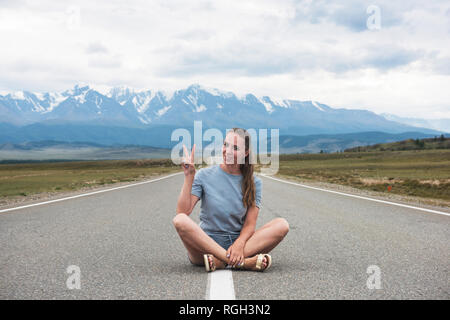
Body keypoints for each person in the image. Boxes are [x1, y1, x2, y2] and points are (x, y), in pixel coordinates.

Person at [173, 128, 289, 272]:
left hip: (239, 246)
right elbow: (183, 212)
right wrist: (189, 176)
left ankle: (221, 261)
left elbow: (249, 224)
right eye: (225, 145)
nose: (227, 151)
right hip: (204, 247)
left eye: (234, 148)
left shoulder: (255, 183)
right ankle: (241, 263)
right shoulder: (204, 175)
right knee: (180, 220)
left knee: (282, 225)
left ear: (246, 152)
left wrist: (239, 244)